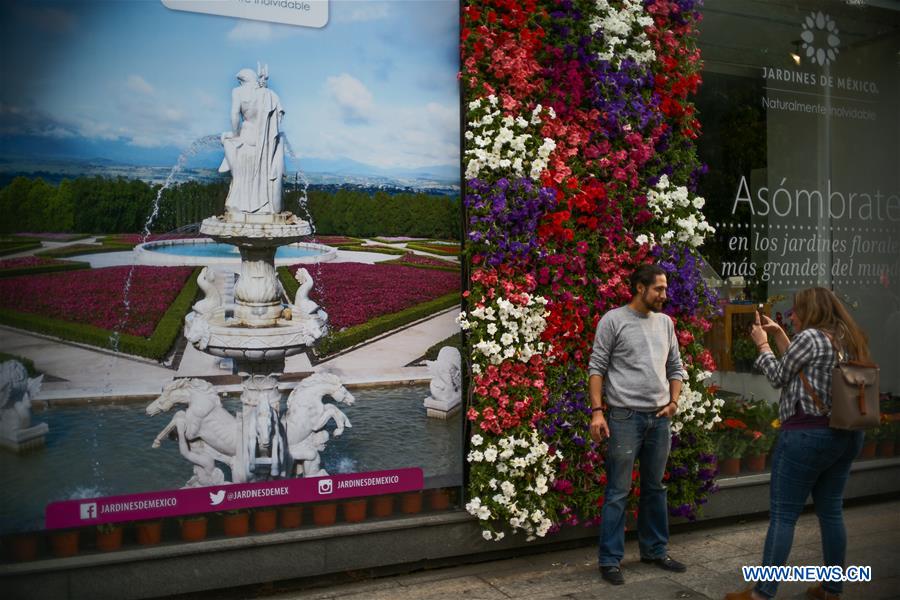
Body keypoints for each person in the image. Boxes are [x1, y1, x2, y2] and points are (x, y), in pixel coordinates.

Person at [725, 287, 869, 600]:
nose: (791, 315)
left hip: (808, 435)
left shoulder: (810, 338)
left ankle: (763, 593)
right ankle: (832, 589)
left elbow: (779, 377)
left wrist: (762, 345)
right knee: (831, 512)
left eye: (796, 310)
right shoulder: (846, 336)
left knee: (783, 515)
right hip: (846, 434)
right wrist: (778, 336)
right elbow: (801, 370)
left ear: (811, 311)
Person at [588, 264, 687, 585]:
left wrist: (673, 402)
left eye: (665, 288)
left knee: (655, 488)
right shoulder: (613, 321)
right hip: (624, 416)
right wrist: (597, 412)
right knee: (618, 490)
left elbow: (676, 366)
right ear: (639, 288)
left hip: (659, 419)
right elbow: (597, 368)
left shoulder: (666, 323)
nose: (664, 295)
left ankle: (655, 551)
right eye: (658, 288)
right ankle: (610, 560)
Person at [219, 66, 285, 215]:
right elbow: (277, 119)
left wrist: (234, 134)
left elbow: (235, 115)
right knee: (261, 174)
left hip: (247, 135)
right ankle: (264, 205)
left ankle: (240, 203)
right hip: (265, 142)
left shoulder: (238, 92)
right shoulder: (269, 95)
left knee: (240, 169)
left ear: (241, 82)